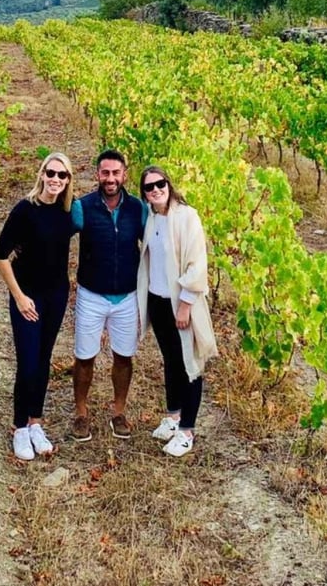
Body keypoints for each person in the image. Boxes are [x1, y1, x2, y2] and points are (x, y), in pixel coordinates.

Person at [0, 152, 76, 461]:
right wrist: (18, 296)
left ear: (68, 181)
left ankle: (35, 423)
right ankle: (19, 428)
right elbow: (1, 255)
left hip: (56, 297)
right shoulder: (25, 210)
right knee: (27, 362)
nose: (56, 179)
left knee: (43, 361)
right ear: (42, 174)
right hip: (28, 298)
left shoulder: (70, 212)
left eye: (62, 175)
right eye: (51, 173)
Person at [136, 165, 217, 458]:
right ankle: (173, 416)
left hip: (181, 302)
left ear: (168, 184)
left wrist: (185, 305)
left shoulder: (186, 217)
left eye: (160, 184)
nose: (156, 189)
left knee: (190, 364)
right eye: (149, 187)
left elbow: (197, 264)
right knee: (171, 360)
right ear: (143, 193)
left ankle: (187, 430)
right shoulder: (152, 218)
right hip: (158, 301)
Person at [69, 148, 146, 442]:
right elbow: (55, 233)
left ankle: (118, 412)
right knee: (84, 356)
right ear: (97, 175)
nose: (110, 178)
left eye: (116, 173)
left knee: (123, 356)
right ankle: (80, 413)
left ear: (125, 174)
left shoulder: (138, 209)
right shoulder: (82, 207)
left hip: (126, 297)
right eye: (105, 173)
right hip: (91, 294)